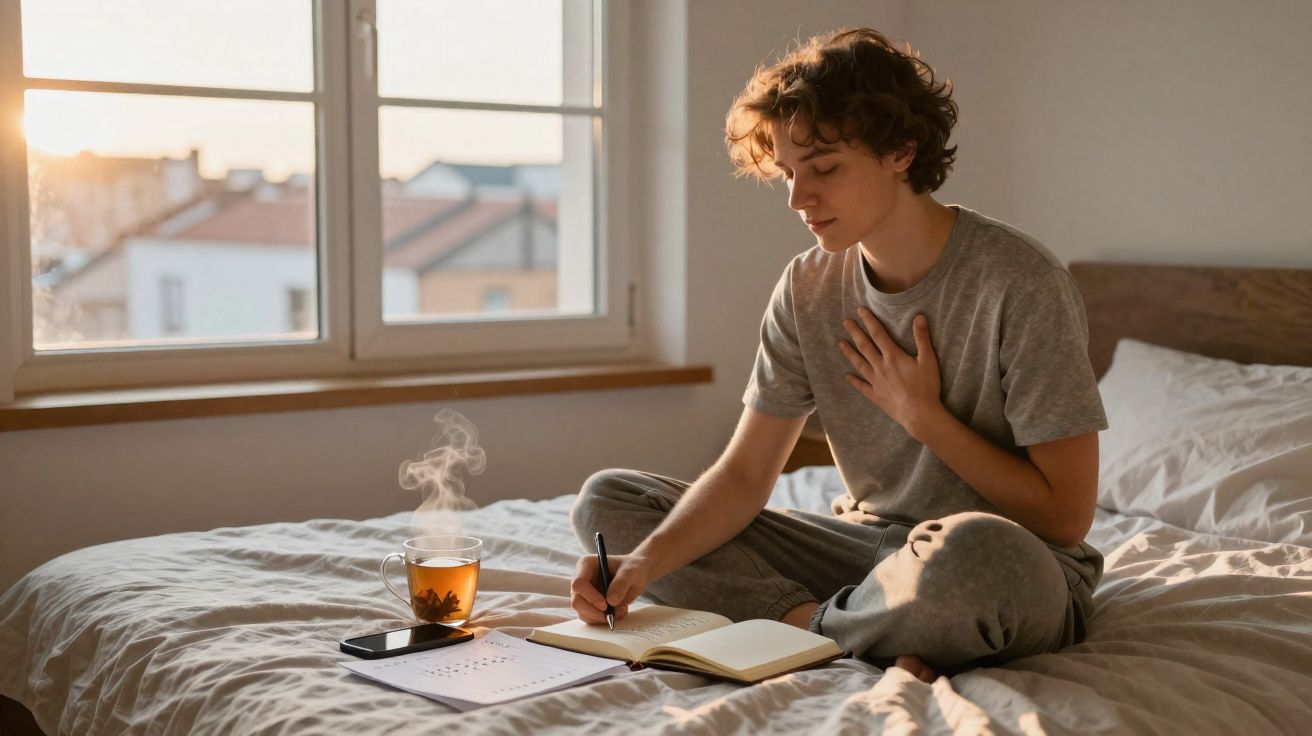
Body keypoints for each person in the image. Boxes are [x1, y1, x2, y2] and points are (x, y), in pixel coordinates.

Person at [569, 27, 1107, 683]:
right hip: (866, 549)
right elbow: (744, 477)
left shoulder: (1019, 282)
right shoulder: (808, 287)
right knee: (608, 503)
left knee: (975, 557)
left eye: (823, 169)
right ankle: (831, 626)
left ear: (901, 153)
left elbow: (1066, 516)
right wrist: (641, 567)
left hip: (1011, 560)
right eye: (790, 174)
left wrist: (925, 417)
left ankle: (820, 630)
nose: (798, 199)